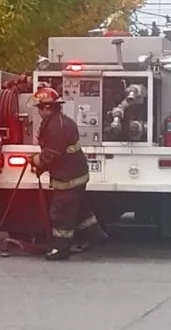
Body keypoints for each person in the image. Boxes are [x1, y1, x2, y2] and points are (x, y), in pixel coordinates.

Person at [30, 86, 108, 261]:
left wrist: (35, 160)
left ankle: (60, 249)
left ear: (48, 107)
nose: (38, 111)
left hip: (68, 178)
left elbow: (52, 153)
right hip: (73, 174)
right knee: (80, 210)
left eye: (40, 107)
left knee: (61, 213)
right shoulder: (58, 122)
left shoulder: (57, 126)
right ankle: (97, 236)